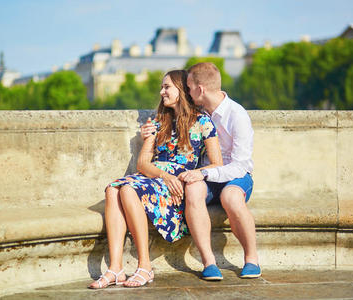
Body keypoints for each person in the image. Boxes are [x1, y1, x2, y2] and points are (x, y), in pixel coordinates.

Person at [89, 69, 222, 289]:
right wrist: (164, 174)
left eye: (167, 87)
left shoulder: (203, 122)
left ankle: (145, 265)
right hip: (156, 178)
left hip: (177, 185)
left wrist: (188, 177)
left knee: (127, 190)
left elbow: (217, 163)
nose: (162, 92)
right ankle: (115, 268)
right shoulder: (158, 122)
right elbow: (142, 164)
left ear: (181, 90)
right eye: (162, 87)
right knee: (112, 190)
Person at [141, 62, 261, 280]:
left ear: (200, 89)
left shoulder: (237, 115)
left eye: (188, 86)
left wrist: (205, 173)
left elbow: (240, 165)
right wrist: (148, 131)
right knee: (194, 191)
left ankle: (251, 259)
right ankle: (209, 262)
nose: (186, 91)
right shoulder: (198, 112)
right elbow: (172, 127)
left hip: (236, 177)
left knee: (231, 197)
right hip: (205, 177)